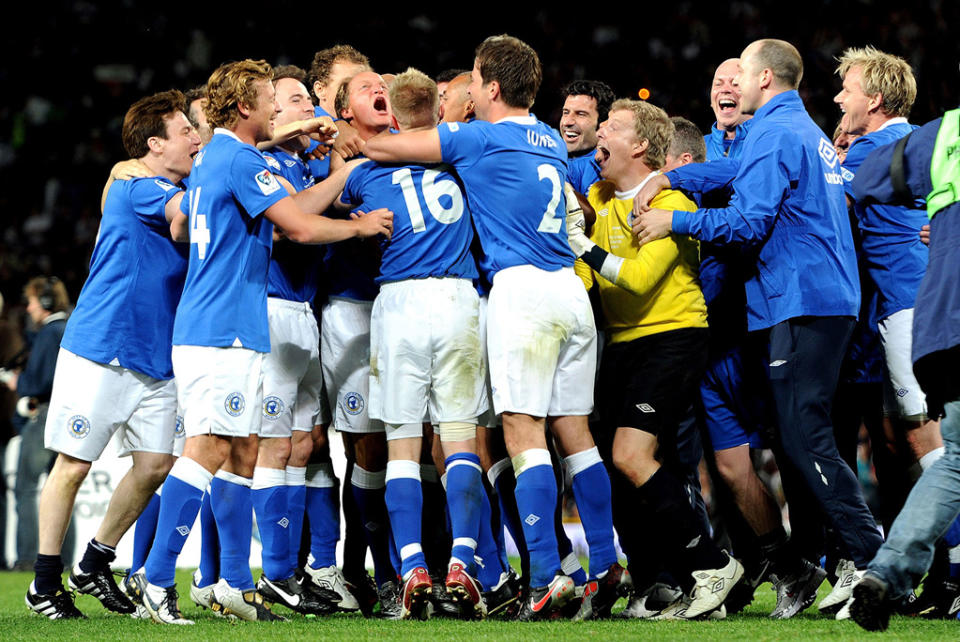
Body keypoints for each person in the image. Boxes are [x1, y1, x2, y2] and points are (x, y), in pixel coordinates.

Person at [365, 34, 625, 621]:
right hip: (571, 291)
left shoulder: (480, 136)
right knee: (575, 433)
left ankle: (543, 575)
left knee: (522, 431)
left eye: (476, 82)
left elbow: (391, 149)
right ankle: (605, 565)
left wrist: (355, 139)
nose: (471, 94)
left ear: (494, 88)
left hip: (524, 293)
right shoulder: (551, 142)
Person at [124, 59, 391, 625]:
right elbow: (297, 226)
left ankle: (234, 585)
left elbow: (261, 148)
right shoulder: (241, 160)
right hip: (223, 329)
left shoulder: (216, 155)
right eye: (270, 98)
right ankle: (154, 578)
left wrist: (296, 130)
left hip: (218, 324)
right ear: (246, 107)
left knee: (241, 452)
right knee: (208, 450)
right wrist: (358, 227)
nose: (277, 108)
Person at [631, 39, 882, 617]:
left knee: (804, 437)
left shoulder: (773, 131)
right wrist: (681, 181)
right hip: (822, 297)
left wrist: (674, 219)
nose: (733, 81)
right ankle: (856, 558)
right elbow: (738, 170)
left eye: (740, 71)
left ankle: (867, 559)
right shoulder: (802, 129)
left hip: (799, 299)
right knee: (802, 436)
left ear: (763, 78)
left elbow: (746, 224)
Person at [24, 90, 200, 621]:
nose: (196, 137)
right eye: (185, 131)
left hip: (156, 355)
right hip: (103, 347)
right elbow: (184, 211)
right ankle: (43, 581)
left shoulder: (146, 179)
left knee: (155, 465)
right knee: (73, 466)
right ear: (154, 144)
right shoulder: (137, 186)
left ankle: (96, 561)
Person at [568, 99, 742, 620]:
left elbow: (640, 278)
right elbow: (590, 280)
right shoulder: (599, 196)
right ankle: (656, 581)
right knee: (615, 464)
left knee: (630, 455)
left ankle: (714, 565)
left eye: (613, 127)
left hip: (673, 335)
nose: (600, 132)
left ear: (641, 146)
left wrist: (580, 246)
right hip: (622, 343)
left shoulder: (677, 204)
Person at [337, 67, 497, 619]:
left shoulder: (366, 170)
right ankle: (462, 563)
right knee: (458, 441)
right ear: (439, 111)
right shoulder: (463, 160)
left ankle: (410, 569)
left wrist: (357, 151)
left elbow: (321, 205)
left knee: (402, 444)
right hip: (457, 301)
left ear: (397, 115)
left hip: (399, 305)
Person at [848, 109, 960, 631]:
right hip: (922, 312)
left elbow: (869, 180)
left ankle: (889, 573)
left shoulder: (944, 133)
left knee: (950, 458)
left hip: (937, 319)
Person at [10, 278, 69, 577]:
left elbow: (40, 381)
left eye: (33, 301)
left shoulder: (49, 333)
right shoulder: (69, 328)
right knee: (62, 487)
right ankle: (64, 557)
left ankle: (27, 558)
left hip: (44, 417)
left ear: (46, 303)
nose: (30, 307)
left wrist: (17, 383)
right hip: (66, 417)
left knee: (26, 488)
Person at [560, 79, 614, 195]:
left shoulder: (613, 165)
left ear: (602, 122)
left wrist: (662, 179)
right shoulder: (545, 155)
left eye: (581, 114)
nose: (567, 122)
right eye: (565, 112)